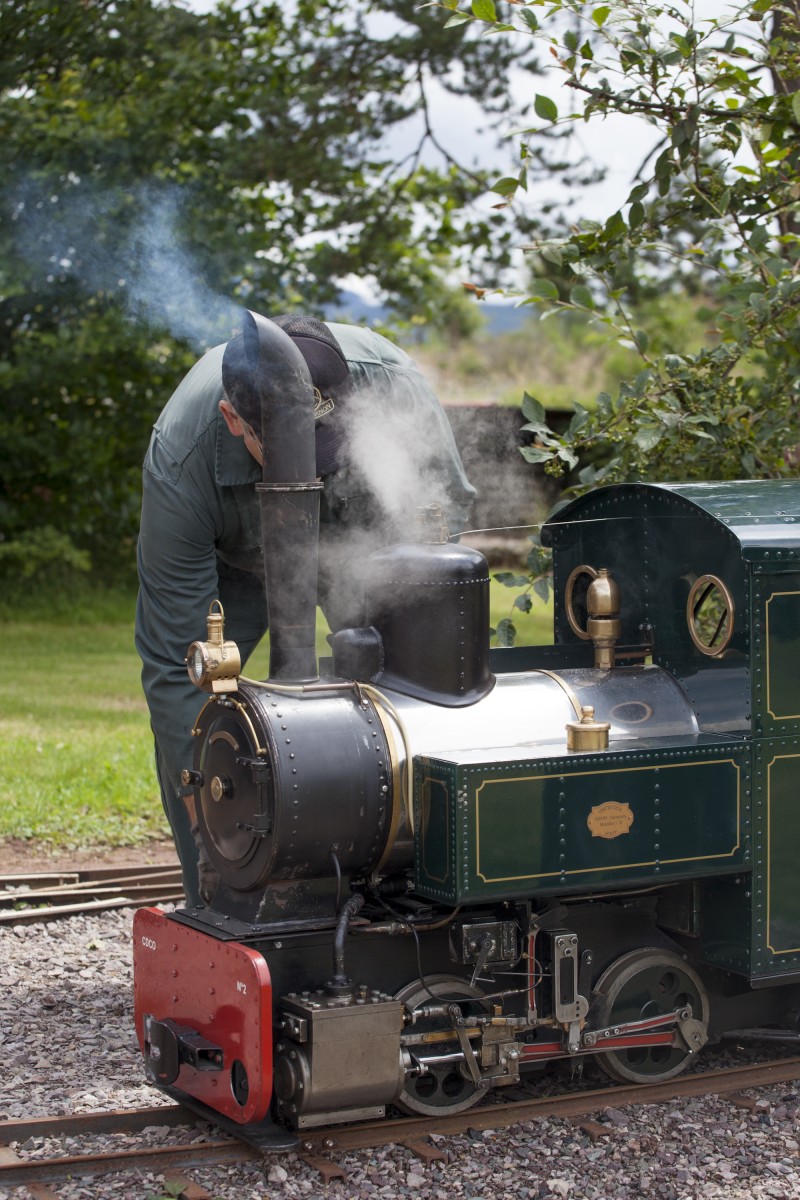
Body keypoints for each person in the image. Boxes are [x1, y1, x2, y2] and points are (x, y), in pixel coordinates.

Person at [135, 314, 476, 906]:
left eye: (326, 450)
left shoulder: (391, 388)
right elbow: (175, 666)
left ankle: (400, 892)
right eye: (291, 454)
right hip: (233, 566)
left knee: (405, 684)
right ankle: (218, 900)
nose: (312, 470)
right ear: (232, 419)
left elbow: (437, 564)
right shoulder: (181, 456)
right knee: (203, 711)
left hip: (361, 543)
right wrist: (209, 817)